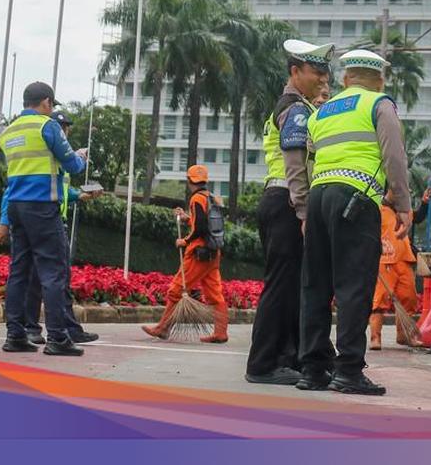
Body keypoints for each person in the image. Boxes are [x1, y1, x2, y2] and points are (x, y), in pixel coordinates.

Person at [299, 49, 411, 396]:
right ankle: (348, 371)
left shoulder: (320, 111)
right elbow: (394, 155)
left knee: (315, 286)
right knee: (354, 287)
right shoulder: (379, 104)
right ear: (380, 80)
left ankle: (312, 370)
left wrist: (306, 210)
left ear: (346, 79)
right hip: (356, 198)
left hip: (318, 197)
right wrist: (403, 204)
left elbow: (308, 160)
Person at [245, 40, 332, 386]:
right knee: (281, 286)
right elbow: (295, 165)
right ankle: (262, 364)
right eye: (316, 72)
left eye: (325, 73)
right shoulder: (295, 109)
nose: (322, 79)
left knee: (293, 285)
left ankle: (290, 358)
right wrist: (304, 211)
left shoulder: (301, 107)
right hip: (287, 202)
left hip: (284, 200)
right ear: (295, 71)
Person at [0, 82, 88, 356]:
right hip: (42, 208)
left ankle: (15, 335)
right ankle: (57, 338)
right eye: (51, 105)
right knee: (53, 272)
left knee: (19, 272)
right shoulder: (48, 126)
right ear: (46, 102)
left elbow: (14, 177)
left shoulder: (8, 132)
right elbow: (72, 165)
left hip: (16, 207)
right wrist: (80, 157)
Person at [141, 165, 229, 343]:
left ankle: (163, 328)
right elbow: (206, 224)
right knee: (215, 295)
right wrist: (187, 218)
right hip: (213, 252)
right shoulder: (211, 197)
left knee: (175, 290)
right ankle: (221, 332)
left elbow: (200, 228)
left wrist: (185, 241)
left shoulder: (196, 198)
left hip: (198, 254)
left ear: (190, 181)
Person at [370, 203, 421, 350]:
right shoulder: (379, 210)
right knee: (380, 299)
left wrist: (424, 203)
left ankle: (403, 335)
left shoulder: (406, 211)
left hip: (404, 259)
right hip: (385, 260)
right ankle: (375, 337)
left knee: (409, 298)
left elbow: (419, 217)